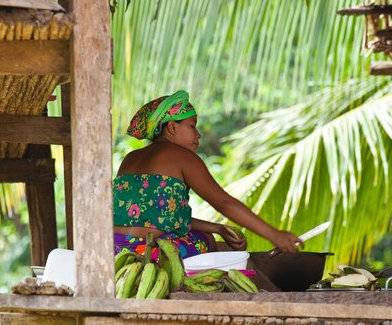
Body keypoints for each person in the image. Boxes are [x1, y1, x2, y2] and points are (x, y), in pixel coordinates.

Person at [113, 90, 303, 261]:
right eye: (192, 126)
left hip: (115, 249)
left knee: (213, 238)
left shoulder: (130, 159)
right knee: (209, 242)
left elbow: (159, 217)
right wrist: (274, 235)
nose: (198, 135)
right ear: (172, 127)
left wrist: (218, 228)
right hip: (148, 253)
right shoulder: (182, 156)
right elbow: (224, 203)